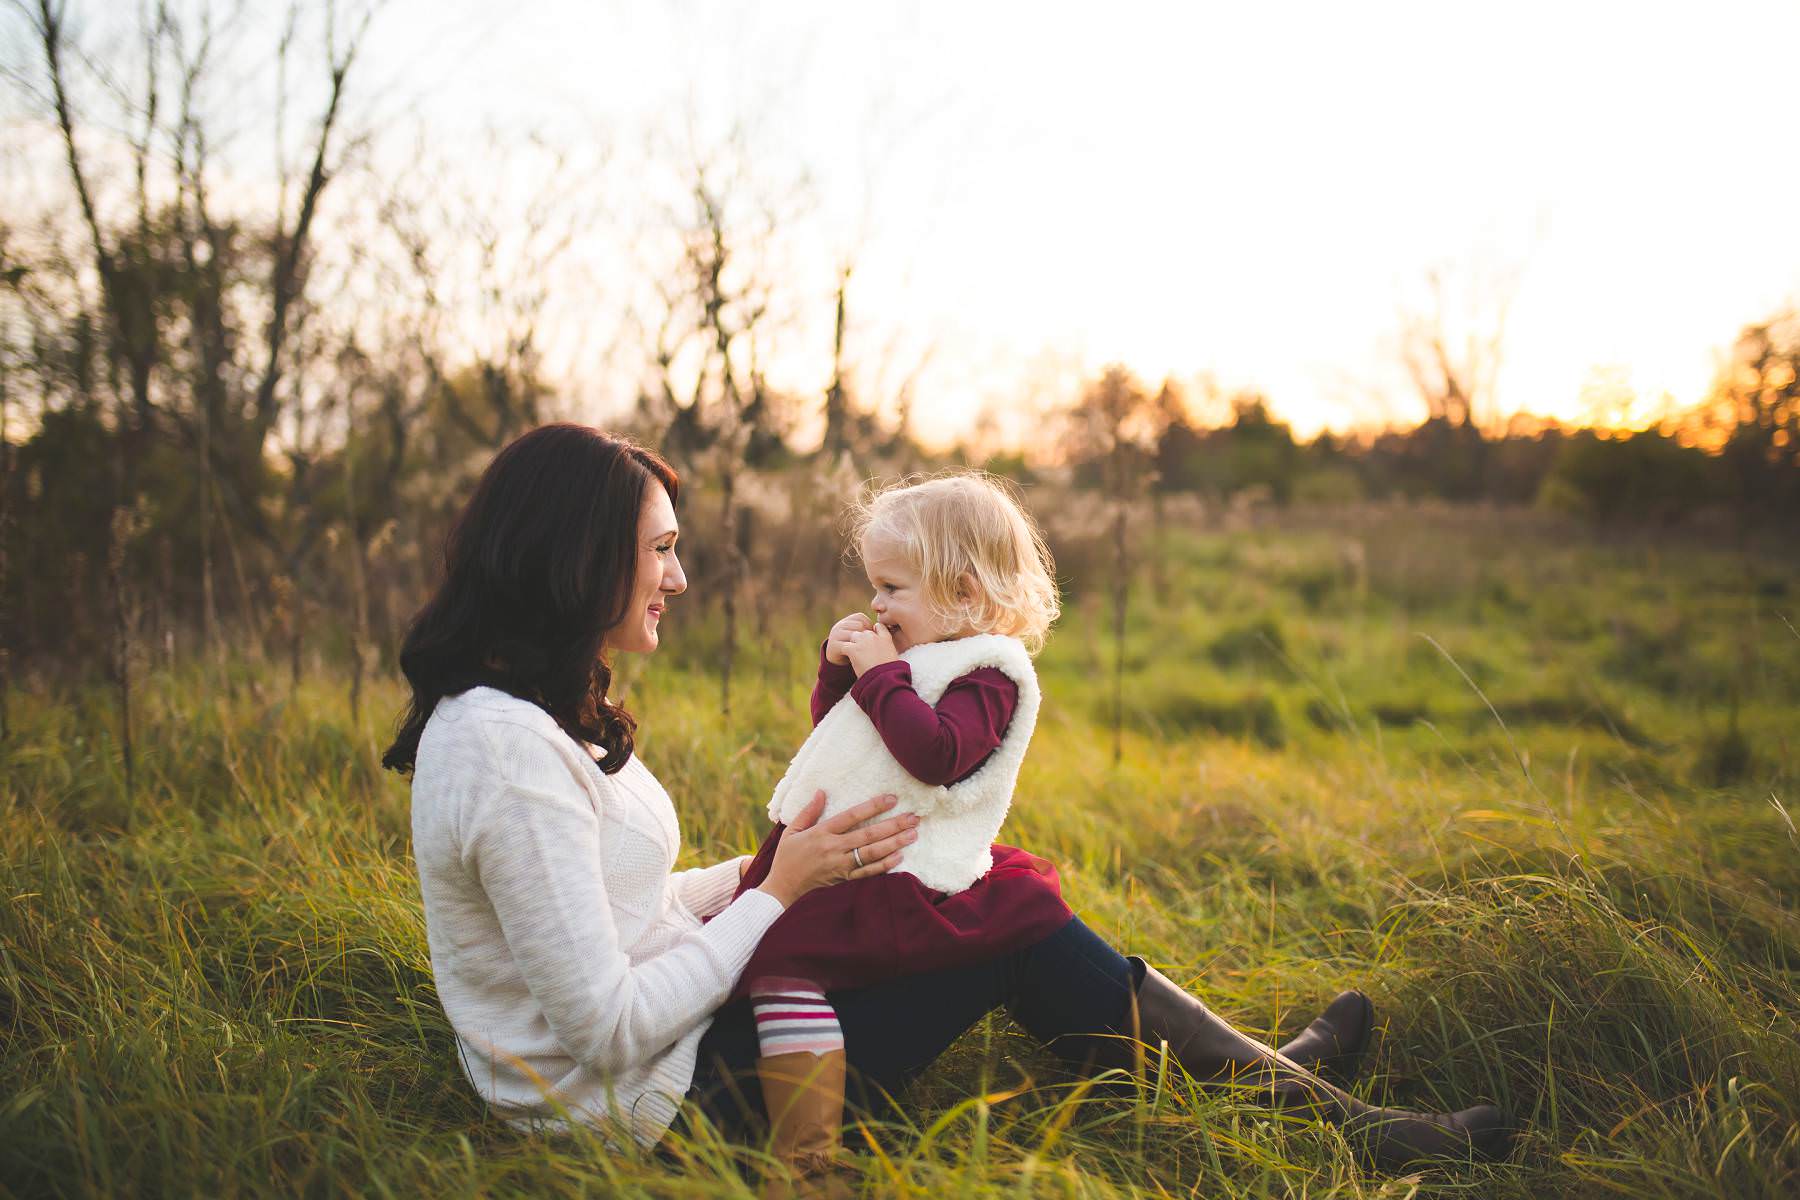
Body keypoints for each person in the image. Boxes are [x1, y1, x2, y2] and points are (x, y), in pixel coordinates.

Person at [384, 424, 1513, 1183]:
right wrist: (776, 894)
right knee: (1007, 929)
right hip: (643, 1113)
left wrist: (757, 877)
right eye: (661, 551)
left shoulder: (522, 719)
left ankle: (1282, 1079)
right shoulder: (504, 752)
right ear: (579, 558)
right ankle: (1352, 1132)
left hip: (665, 1059)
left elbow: (610, 906)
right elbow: (604, 1025)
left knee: (999, 894)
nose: (679, 578)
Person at [727, 473, 1074, 1185]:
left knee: (784, 967)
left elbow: (936, 757)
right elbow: (849, 739)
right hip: (859, 860)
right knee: (779, 966)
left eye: (893, 589)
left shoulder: (989, 674)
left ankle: (807, 1161)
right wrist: (837, 674)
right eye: (875, 587)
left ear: (965, 594)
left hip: (902, 878)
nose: (876, 605)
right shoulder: (914, 659)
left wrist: (883, 677)